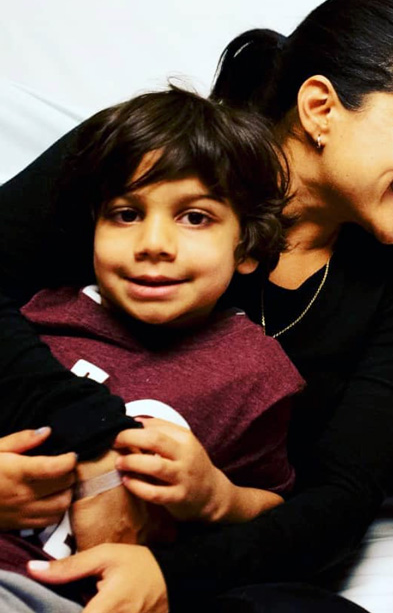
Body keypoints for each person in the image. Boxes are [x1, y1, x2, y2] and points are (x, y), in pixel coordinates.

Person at [0, 0, 393, 612]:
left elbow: (338, 502)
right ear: (319, 108)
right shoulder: (152, 161)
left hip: (219, 569)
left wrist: (171, 573)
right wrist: (85, 432)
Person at [0, 87, 305, 610]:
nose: (154, 243)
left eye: (195, 217)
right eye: (125, 214)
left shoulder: (255, 374)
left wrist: (217, 496)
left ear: (249, 245)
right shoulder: (37, 316)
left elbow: (274, 507)